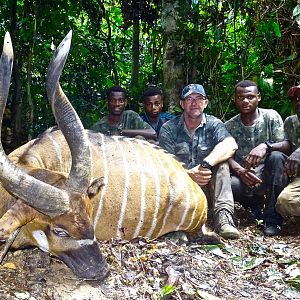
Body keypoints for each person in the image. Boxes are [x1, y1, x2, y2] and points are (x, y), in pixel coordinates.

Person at [159, 83, 240, 240]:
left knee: (222, 164)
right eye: (189, 99)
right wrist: (188, 175)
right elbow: (164, 164)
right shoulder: (169, 128)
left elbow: (230, 145)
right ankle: (176, 224)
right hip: (181, 190)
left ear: (205, 103)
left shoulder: (214, 123)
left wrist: (205, 164)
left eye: (199, 98)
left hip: (207, 187)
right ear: (182, 104)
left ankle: (224, 219)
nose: (194, 103)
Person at [225, 80, 289, 236]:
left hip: (269, 174)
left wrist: (266, 146)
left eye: (250, 97)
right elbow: (225, 155)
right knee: (231, 184)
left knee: (276, 157)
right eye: (240, 97)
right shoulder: (229, 126)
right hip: (245, 177)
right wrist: (239, 171)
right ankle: (254, 206)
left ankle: (272, 219)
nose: (245, 101)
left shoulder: (271, 117)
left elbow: (287, 145)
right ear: (235, 99)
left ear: (258, 97)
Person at [91, 85, 156, 139]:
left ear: (125, 102)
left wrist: (121, 132)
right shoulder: (98, 127)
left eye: (121, 101)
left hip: (132, 153)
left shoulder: (131, 116)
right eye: (113, 101)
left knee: (139, 138)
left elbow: (152, 133)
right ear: (107, 102)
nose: (117, 104)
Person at [276, 85, 300, 216]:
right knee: (284, 202)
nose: (298, 102)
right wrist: (267, 146)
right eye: (296, 99)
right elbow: (286, 144)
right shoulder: (290, 122)